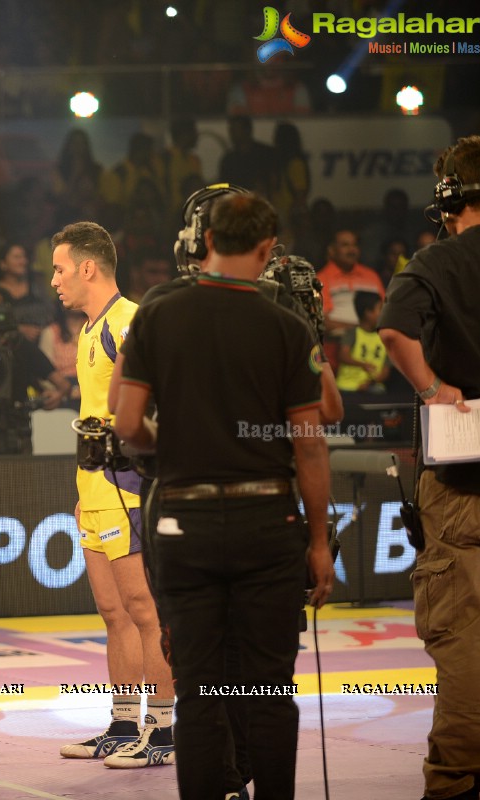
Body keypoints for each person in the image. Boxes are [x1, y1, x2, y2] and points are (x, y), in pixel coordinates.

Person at [115, 193, 335, 800]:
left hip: (183, 521)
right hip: (267, 520)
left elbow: (127, 420)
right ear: (267, 250)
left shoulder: (157, 312)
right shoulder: (286, 324)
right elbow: (314, 439)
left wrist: (177, 452)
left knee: (201, 694)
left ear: (203, 241)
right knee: (268, 689)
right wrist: (318, 543)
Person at [378, 134, 480, 800]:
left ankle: (454, 786)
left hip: (463, 486)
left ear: (448, 199)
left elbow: (395, 331)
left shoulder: (435, 262)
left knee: (462, 653)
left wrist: (431, 389)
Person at [48, 222, 175, 768]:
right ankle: (125, 722)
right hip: (94, 487)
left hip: (127, 486)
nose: (53, 280)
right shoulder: (87, 329)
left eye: (59, 269)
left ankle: (165, 728)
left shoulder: (130, 322)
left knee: (146, 611)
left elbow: (160, 402)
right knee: (111, 610)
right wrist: (84, 489)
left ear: (87, 267)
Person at [318, 229, 385, 333]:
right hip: (338, 343)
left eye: (355, 245)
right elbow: (322, 321)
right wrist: (359, 330)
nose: (351, 250)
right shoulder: (321, 279)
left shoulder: (371, 276)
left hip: (374, 341)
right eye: (345, 245)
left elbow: (386, 312)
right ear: (331, 250)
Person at [336, 292, 389, 394]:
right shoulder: (353, 333)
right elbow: (343, 355)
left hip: (373, 388)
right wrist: (362, 365)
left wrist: (370, 383)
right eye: (380, 309)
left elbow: (385, 372)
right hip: (347, 387)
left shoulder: (385, 337)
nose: (384, 313)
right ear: (368, 312)